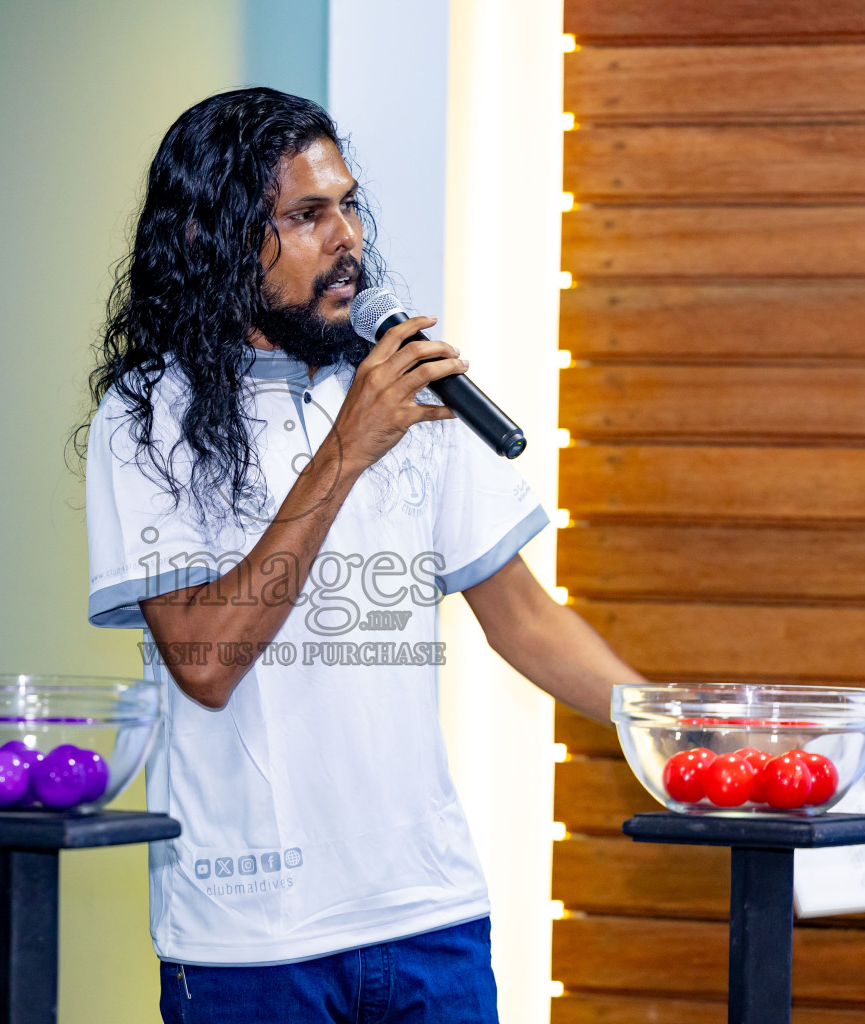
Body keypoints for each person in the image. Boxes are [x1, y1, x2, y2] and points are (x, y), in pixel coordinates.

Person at [79, 88, 646, 1023]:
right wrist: (347, 447)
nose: (347, 236)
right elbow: (207, 664)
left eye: (346, 204)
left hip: (433, 921)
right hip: (250, 944)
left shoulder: (408, 393)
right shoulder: (148, 418)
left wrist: (672, 721)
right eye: (306, 215)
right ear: (207, 238)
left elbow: (526, 620)